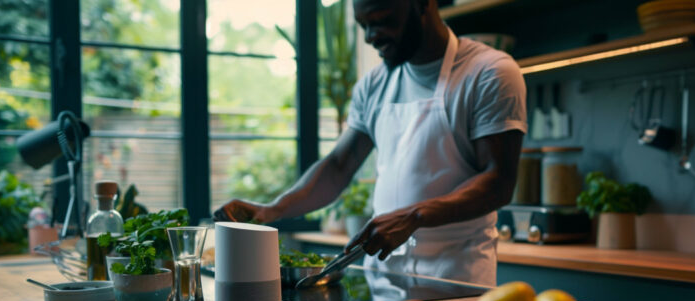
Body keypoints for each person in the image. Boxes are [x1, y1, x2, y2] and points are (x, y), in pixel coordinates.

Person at [214, 0, 526, 286]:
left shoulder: (489, 73)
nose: (370, 37)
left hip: (457, 279)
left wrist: (413, 216)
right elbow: (338, 166)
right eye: (364, 25)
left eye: (382, 21)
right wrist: (272, 209)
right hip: (384, 279)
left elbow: (498, 181)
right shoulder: (374, 85)